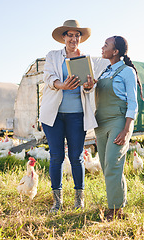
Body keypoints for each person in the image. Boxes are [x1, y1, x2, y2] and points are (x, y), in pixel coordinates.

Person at [39, 20, 97, 213]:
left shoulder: (86, 59)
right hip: (54, 115)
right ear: (63, 37)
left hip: (76, 115)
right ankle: (57, 201)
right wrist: (60, 85)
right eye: (70, 35)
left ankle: (79, 200)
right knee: (56, 157)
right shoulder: (53, 56)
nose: (74, 39)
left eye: (77, 35)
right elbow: (47, 78)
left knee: (76, 157)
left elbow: (90, 89)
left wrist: (89, 86)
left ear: (80, 38)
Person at [93, 36, 144, 221]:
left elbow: (133, 102)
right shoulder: (105, 72)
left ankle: (115, 210)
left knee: (113, 164)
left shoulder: (127, 71)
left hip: (118, 121)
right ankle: (118, 204)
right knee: (107, 166)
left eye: (106, 45)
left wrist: (127, 129)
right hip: (100, 123)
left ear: (115, 51)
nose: (102, 47)